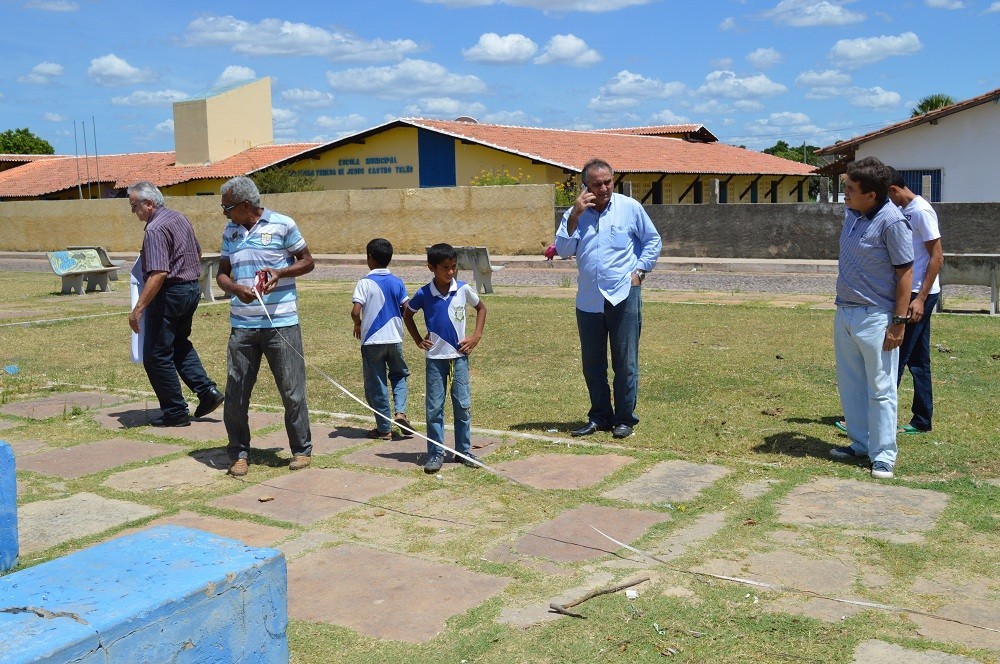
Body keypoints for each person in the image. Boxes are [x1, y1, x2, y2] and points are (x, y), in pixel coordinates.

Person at [554, 158, 662, 439]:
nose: (603, 189)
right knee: (593, 363)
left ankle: (624, 418)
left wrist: (639, 270)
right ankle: (600, 416)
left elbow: (653, 240)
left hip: (624, 295)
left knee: (625, 361)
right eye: (596, 184)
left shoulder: (630, 208)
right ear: (585, 186)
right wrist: (575, 215)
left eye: (608, 182)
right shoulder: (575, 213)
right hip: (589, 298)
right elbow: (564, 249)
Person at [215, 176, 314, 477]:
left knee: (292, 390)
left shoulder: (283, 224)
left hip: (281, 323)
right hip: (242, 326)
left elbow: (308, 261)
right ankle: (238, 453)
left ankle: (301, 450)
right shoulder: (230, 231)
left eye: (227, 208)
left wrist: (280, 272)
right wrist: (235, 289)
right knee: (236, 393)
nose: (225, 214)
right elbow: (221, 274)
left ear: (246, 206)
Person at [830, 157, 914, 480]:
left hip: (877, 317)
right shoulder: (853, 212)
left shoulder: (892, 222)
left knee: (881, 388)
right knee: (852, 384)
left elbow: (906, 272)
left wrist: (899, 321)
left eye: (851, 189)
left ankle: (883, 455)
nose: (845, 193)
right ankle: (861, 443)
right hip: (846, 312)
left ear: (872, 196)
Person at [126, 181, 223, 427]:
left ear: (149, 204)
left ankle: (175, 411)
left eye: (135, 206)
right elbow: (197, 253)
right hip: (190, 289)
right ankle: (207, 392)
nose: (133, 212)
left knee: (156, 355)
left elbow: (158, 273)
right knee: (179, 344)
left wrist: (138, 309)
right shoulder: (179, 218)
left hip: (170, 293)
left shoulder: (155, 229)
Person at [403, 243, 487, 474]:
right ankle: (436, 453)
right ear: (431, 267)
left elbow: (481, 308)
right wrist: (418, 339)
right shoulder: (423, 293)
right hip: (435, 358)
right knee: (434, 408)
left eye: (453, 267)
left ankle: (463, 451)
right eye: (445, 268)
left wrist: (475, 336)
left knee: (462, 404)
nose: (450, 272)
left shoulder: (463, 289)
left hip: (459, 357)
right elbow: (407, 314)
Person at [888, 167, 943, 434]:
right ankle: (922, 420)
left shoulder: (921, 211)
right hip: (912, 292)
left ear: (894, 190)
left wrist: (920, 299)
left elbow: (937, 257)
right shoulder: (903, 211)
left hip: (920, 294)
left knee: (897, 354)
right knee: (918, 360)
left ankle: (872, 418)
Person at [351, 238, 412, 440]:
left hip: (372, 341)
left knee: (376, 383)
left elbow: (355, 310)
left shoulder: (364, 283)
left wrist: (357, 323)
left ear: (370, 258)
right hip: (394, 338)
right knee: (399, 374)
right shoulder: (397, 282)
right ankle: (400, 412)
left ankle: (384, 428)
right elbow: (406, 308)